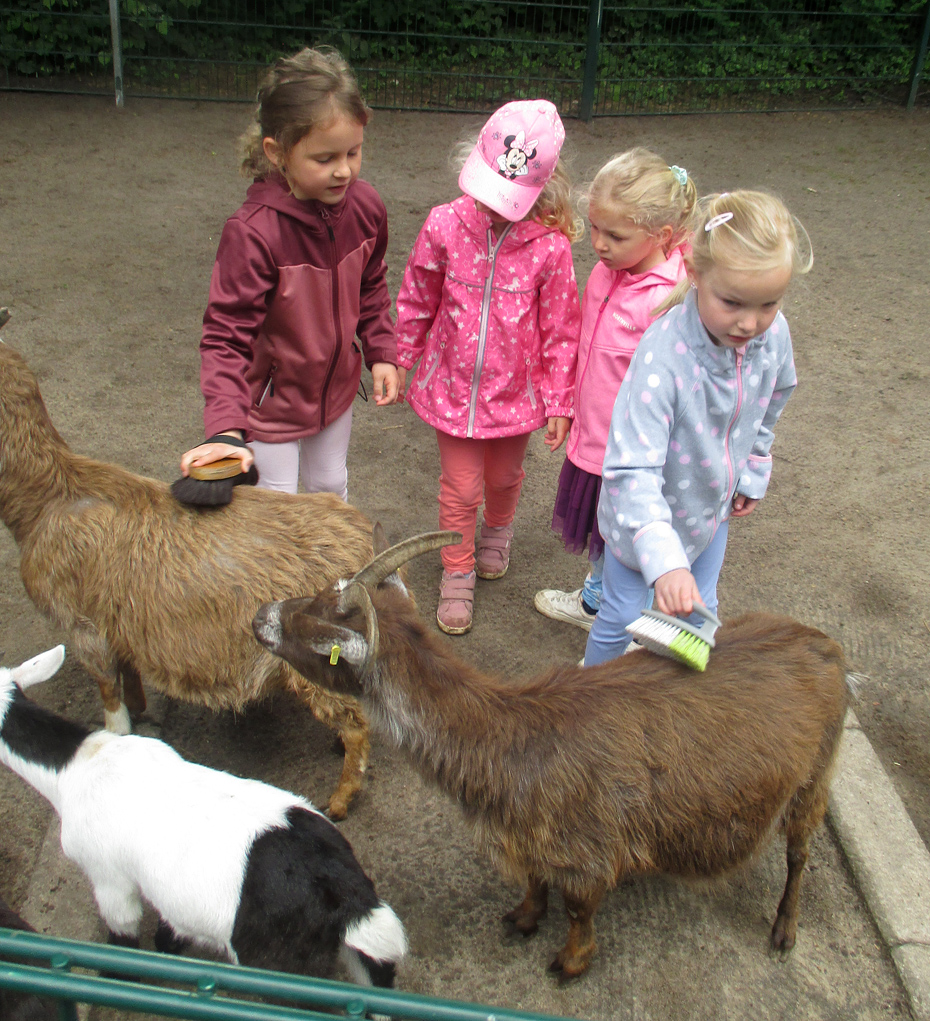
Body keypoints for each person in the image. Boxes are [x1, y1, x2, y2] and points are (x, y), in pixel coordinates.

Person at [584, 190, 813, 666]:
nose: (749, 323)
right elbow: (631, 470)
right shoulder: (663, 357)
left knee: (700, 614)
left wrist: (754, 464)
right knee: (620, 614)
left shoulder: (773, 335)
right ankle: (592, 690)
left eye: (768, 303)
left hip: (709, 511)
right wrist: (665, 562)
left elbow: (775, 395)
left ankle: (681, 694)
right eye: (732, 302)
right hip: (641, 525)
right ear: (693, 272)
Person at [395, 99, 583, 635]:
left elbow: (562, 329)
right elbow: (417, 294)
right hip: (451, 388)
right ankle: (457, 569)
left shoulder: (550, 248)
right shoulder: (445, 223)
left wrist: (560, 401)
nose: (494, 208)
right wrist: (402, 355)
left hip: (515, 394)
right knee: (460, 488)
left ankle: (497, 530)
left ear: (542, 189)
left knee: (503, 477)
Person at [179, 46, 398, 498]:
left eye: (353, 152)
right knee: (276, 500)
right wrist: (225, 427)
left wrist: (381, 350)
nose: (344, 171)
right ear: (277, 153)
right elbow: (225, 336)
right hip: (269, 405)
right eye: (324, 159)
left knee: (329, 487)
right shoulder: (253, 233)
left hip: (334, 390)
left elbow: (371, 284)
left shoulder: (366, 208)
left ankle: (332, 552)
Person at [534, 148, 698, 632]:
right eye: (595, 228)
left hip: (633, 451)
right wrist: (566, 403)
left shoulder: (671, 298)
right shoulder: (608, 273)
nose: (599, 244)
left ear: (661, 235)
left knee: (628, 535)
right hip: (596, 435)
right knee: (602, 531)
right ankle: (597, 601)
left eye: (615, 235)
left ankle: (629, 620)